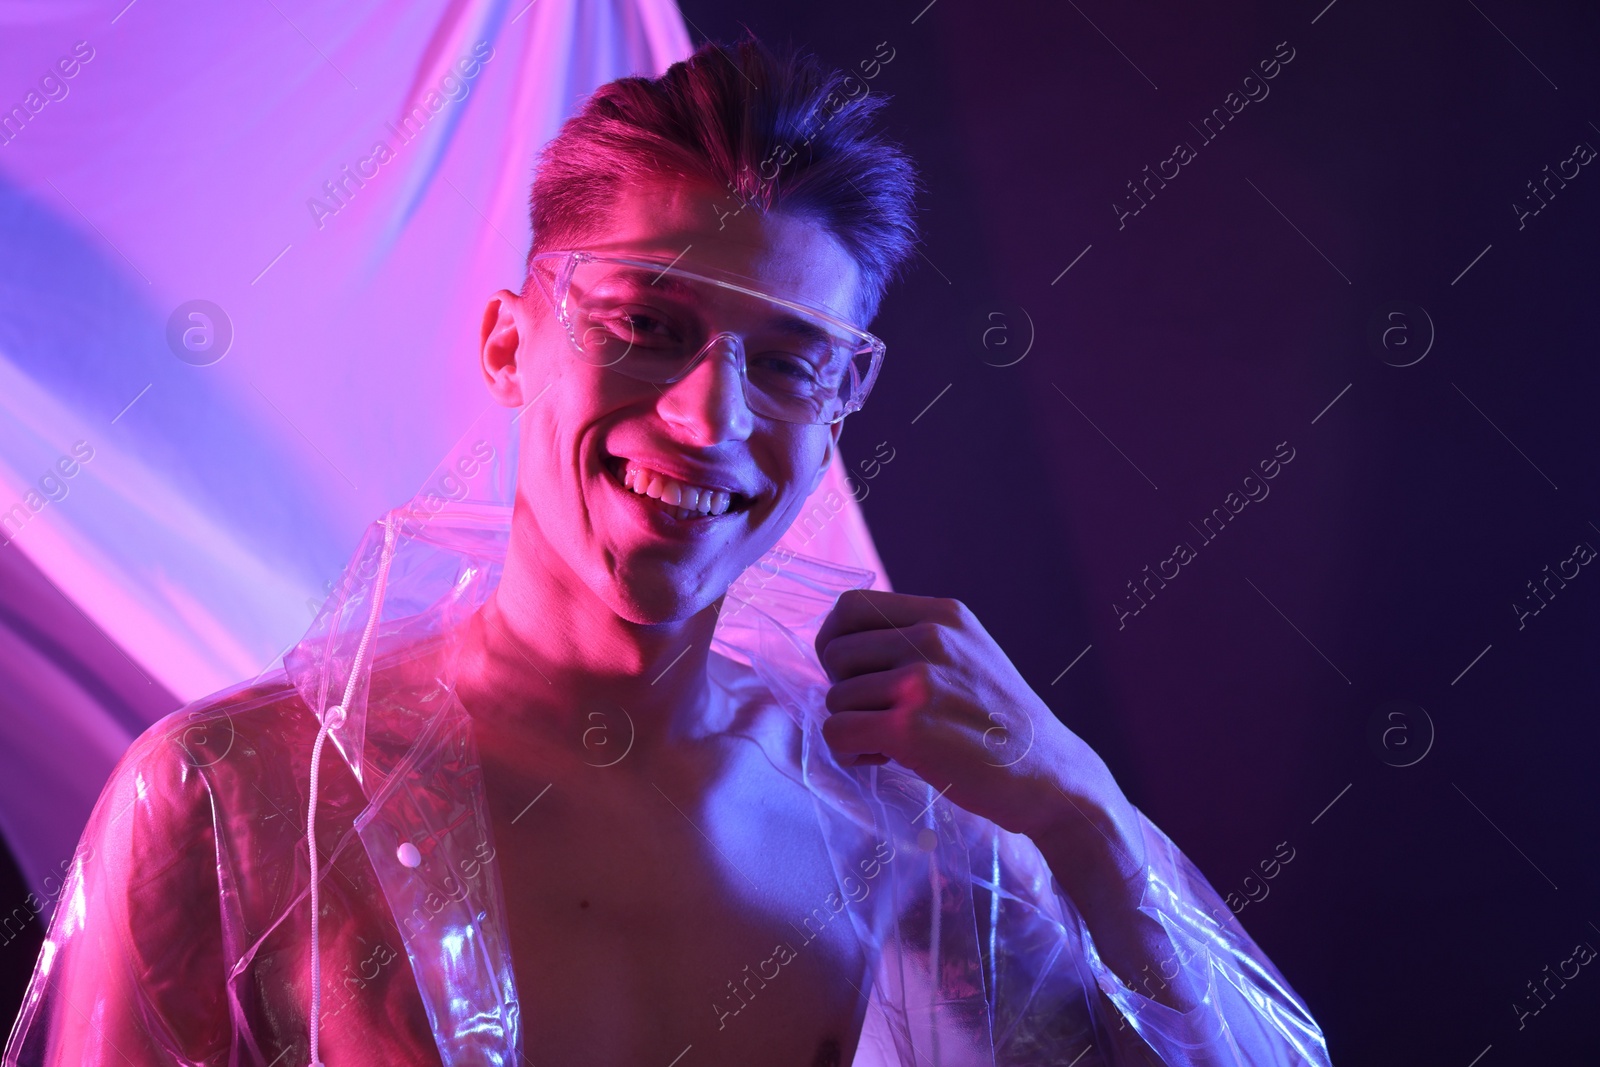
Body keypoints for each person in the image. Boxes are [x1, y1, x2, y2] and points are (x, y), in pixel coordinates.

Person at [4, 35, 1330, 1067]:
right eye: (648, 323)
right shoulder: (233, 803)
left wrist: (1080, 812)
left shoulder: (911, 827)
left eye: (787, 362)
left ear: (843, 402)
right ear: (513, 343)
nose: (707, 419)